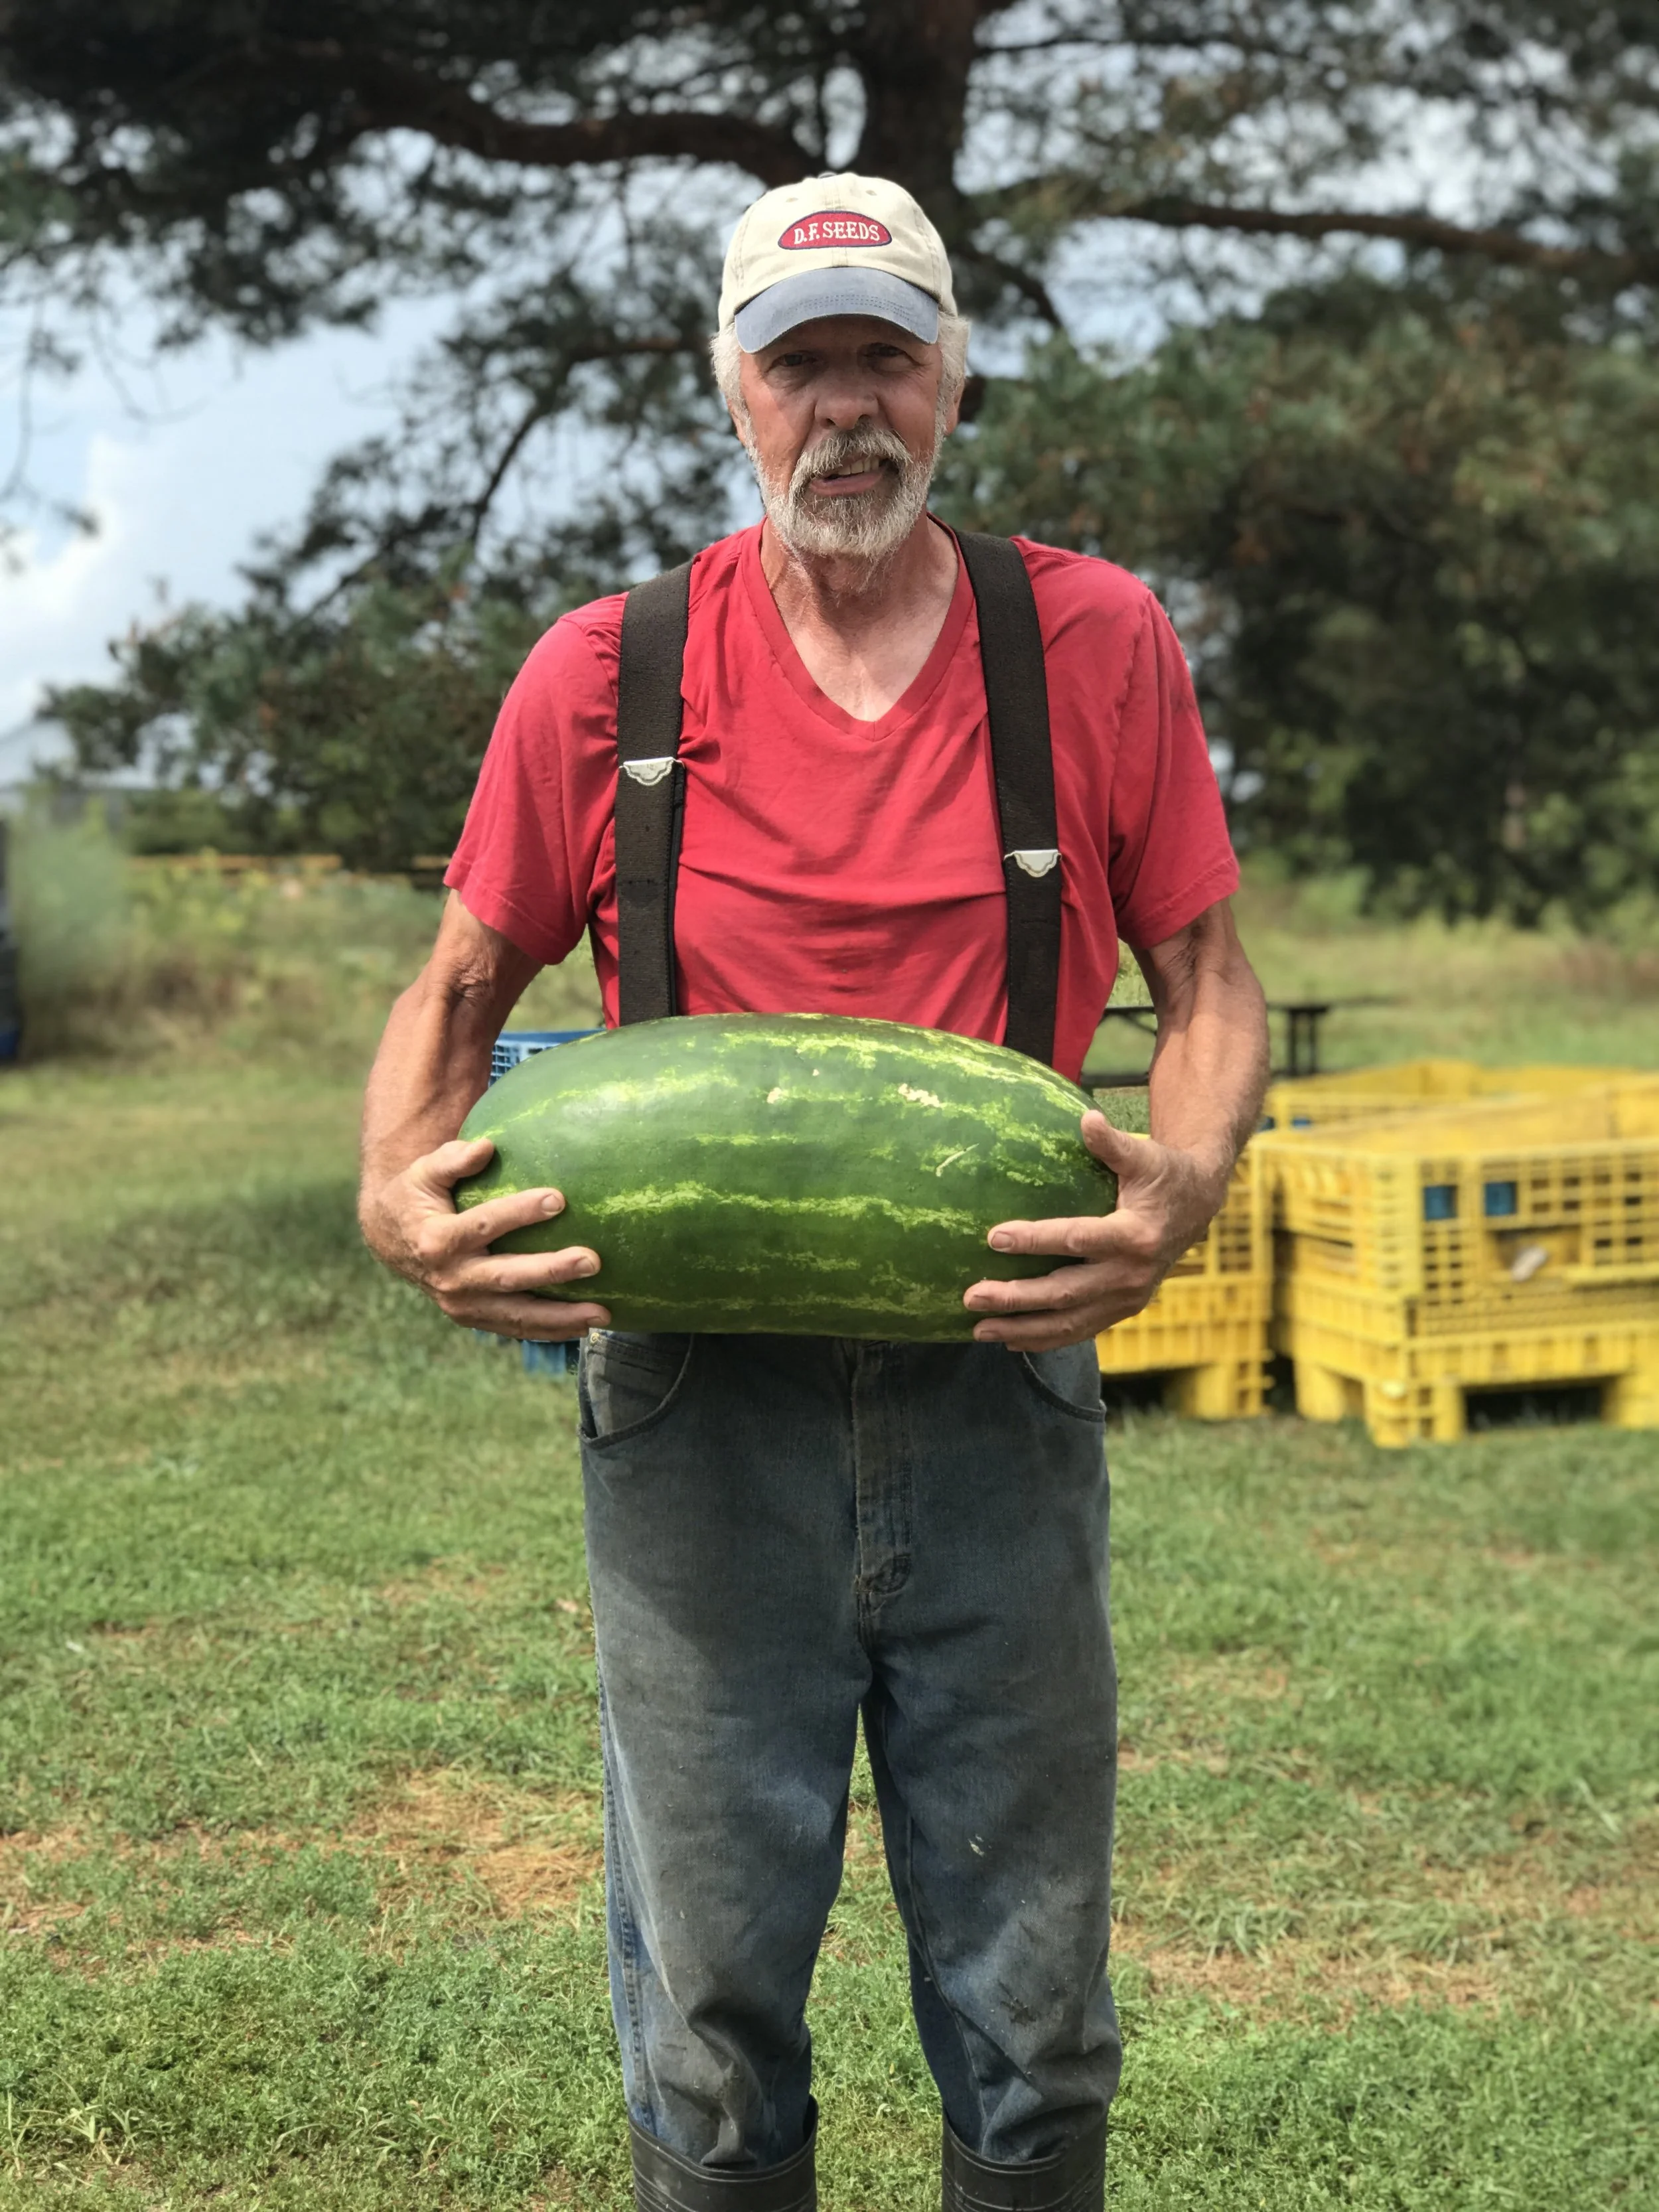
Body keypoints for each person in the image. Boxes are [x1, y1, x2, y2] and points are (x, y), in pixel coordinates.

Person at [359, 171, 1269, 2212]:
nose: (844, 409)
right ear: (730, 388)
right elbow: (455, 989)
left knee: (1033, 2016)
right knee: (708, 2009)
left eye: (884, 356)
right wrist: (393, 1197)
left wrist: (1181, 1178)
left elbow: (1212, 982)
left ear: (950, 375)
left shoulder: (1091, 643)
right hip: (694, 1409)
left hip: (996, 1378)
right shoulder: (604, 675)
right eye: (799, 364)